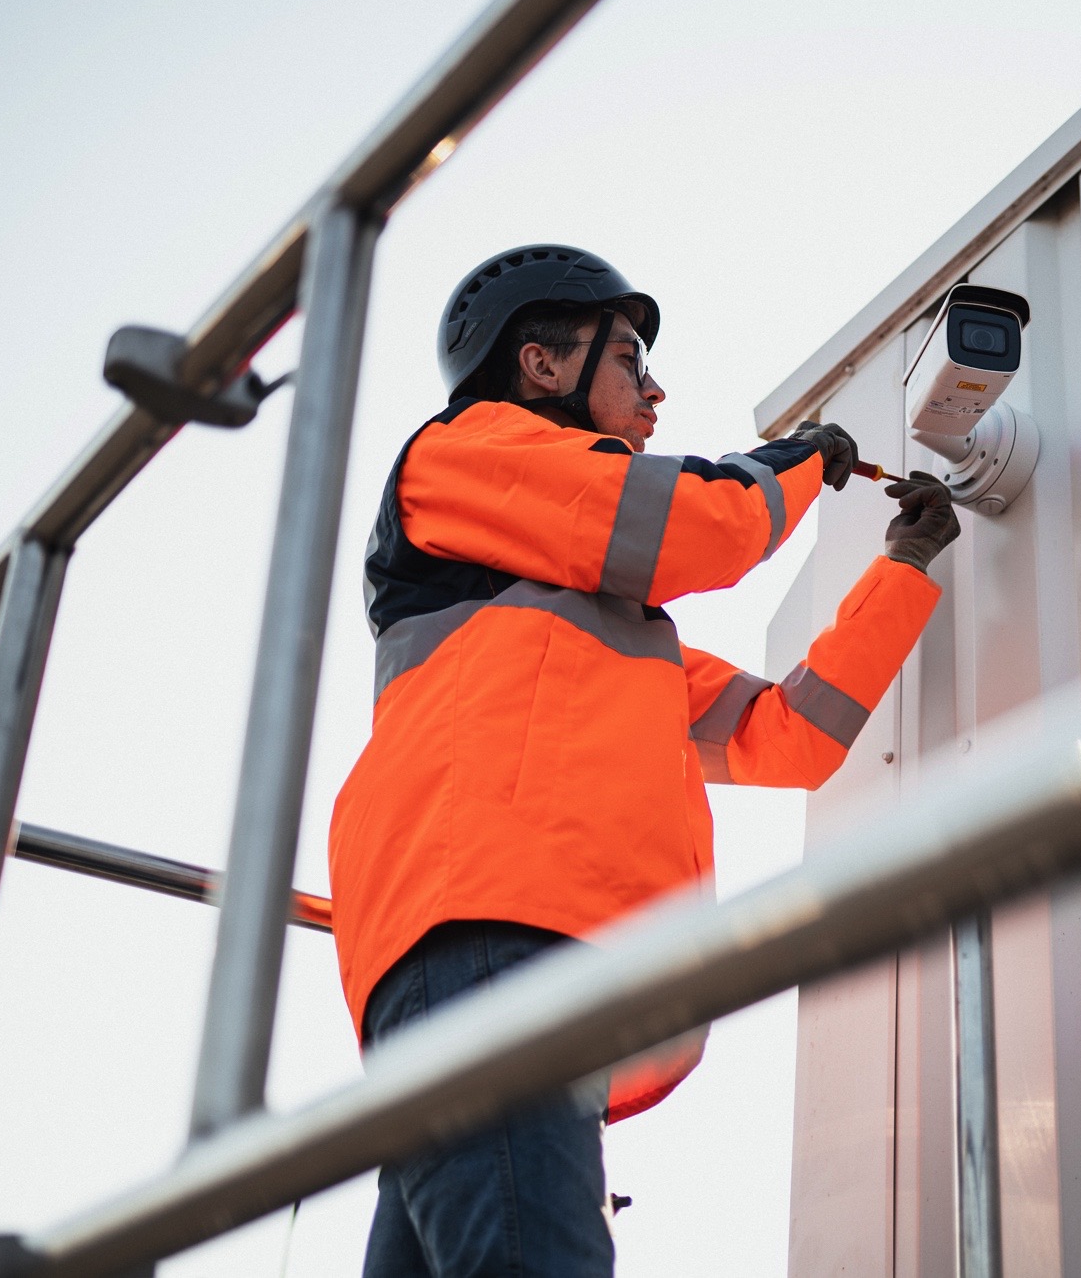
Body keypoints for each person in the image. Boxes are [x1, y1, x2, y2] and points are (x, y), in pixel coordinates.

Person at [329, 244, 959, 1277]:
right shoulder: (463, 451)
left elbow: (788, 735)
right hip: (495, 933)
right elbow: (684, 524)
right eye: (628, 358)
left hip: (517, 954)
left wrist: (903, 569)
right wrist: (800, 460)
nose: (655, 388)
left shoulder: (601, 643)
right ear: (540, 367)